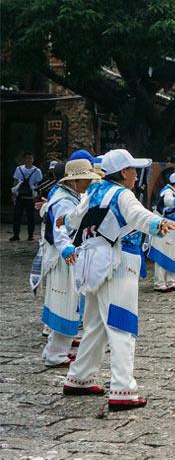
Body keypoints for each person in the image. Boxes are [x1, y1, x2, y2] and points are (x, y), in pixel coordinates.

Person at [63, 149, 175, 411]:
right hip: (119, 262)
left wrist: (63, 219)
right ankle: (122, 389)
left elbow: (73, 219)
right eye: (133, 170)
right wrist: (159, 224)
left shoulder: (94, 191)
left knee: (95, 323)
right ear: (124, 172)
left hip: (93, 262)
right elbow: (138, 215)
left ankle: (79, 377)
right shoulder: (122, 194)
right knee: (121, 324)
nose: (136, 175)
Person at [36, 156, 99, 367]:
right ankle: (56, 354)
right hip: (66, 258)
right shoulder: (64, 200)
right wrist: (67, 248)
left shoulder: (67, 196)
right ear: (73, 180)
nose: (88, 183)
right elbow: (60, 229)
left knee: (64, 303)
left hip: (65, 256)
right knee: (66, 305)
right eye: (85, 180)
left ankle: (54, 350)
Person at [11, 152, 43, 241]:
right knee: (17, 216)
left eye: (30, 158)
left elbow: (38, 184)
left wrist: (37, 197)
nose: (29, 160)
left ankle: (30, 235)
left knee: (30, 217)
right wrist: (13, 193)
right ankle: (16, 234)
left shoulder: (37, 171)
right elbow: (15, 181)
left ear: (33, 159)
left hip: (31, 197)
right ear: (24, 159)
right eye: (27, 158)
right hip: (20, 196)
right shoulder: (19, 169)